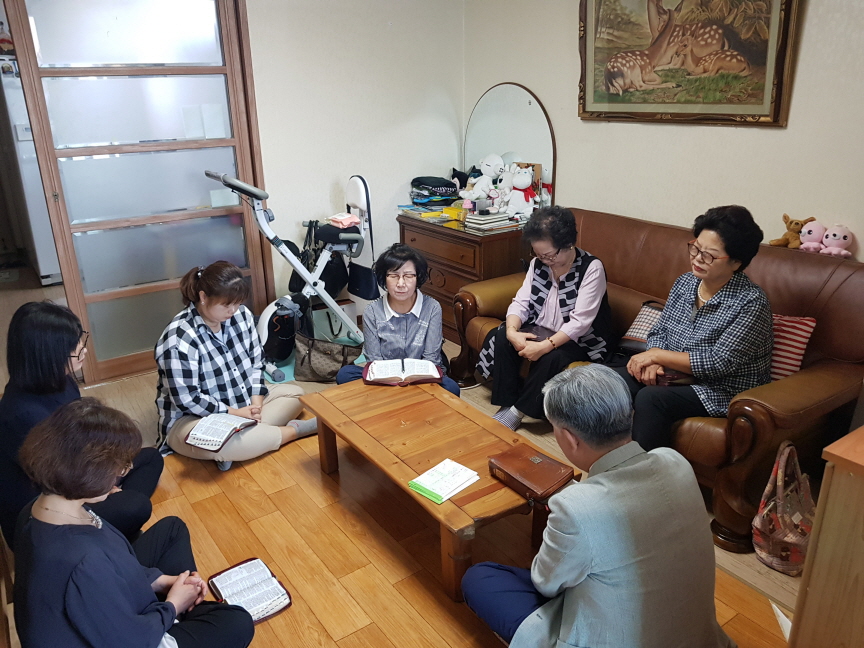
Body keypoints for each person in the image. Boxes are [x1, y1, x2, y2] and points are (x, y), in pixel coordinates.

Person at [461, 364, 735, 648]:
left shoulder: (574, 507)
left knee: (480, 578)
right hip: (699, 636)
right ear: (629, 414)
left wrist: (571, 510)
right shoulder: (674, 461)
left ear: (569, 438)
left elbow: (545, 582)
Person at [14, 398, 255, 648]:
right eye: (118, 466)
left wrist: (162, 581)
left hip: (110, 604)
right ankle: (185, 614)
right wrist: (172, 605)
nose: (124, 470)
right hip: (130, 637)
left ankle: (187, 609)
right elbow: (130, 640)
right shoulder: (82, 563)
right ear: (87, 472)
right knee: (237, 622)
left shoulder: (39, 509)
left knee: (172, 529)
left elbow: (117, 566)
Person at [0, 301, 163, 548]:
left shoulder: (61, 380)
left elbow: (84, 440)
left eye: (79, 340)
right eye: (73, 347)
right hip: (50, 513)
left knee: (151, 458)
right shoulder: (21, 415)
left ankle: (112, 528)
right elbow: (56, 484)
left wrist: (106, 480)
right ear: (47, 355)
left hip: (79, 473)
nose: (82, 350)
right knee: (137, 507)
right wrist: (101, 489)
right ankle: (114, 529)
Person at [616, 205, 773, 451]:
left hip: (721, 389)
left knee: (651, 399)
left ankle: (646, 471)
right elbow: (659, 331)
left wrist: (657, 356)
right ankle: (608, 461)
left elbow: (718, 362)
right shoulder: (685, 283)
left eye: (709, 255)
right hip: (673, 374)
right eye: (696, 248)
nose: (697, 258)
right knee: (612, 381)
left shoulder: (751, 302)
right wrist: (654, 362)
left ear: (736, 262)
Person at [156, 261, 318, 471]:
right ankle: (294, 431)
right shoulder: (179, 339)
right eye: (226, 305)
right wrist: (234, 413)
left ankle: (245, 438)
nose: (233, 310)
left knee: (296, 394)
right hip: (193, 419)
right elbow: (188, 399)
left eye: (237, 303)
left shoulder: (242, 315)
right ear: (203, 297)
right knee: (224, 443)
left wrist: (256, 404)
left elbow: (256, 362)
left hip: (242, 402)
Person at [476, 206, 614, 430]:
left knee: (553, 357)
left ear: (568, 244)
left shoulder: (591, 268)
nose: (545, 260)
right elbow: (521, 302)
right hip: (541, 328)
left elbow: (579, 323)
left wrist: (544, 346)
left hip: (580, 340)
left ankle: (518, 411)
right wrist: (512, 331)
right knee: (501, 335)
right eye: (539, 255)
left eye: (550, 255)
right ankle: (507, 404)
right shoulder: (538, 264)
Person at [335, 244, 461, 396]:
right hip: (385, 378)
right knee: (345, 374)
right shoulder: (372, 311)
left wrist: (412, 381)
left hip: (421, 378)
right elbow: (374, 361)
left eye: (408, 276)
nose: (401, 284)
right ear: (384, 278)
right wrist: (391, 381)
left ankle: (395, 398)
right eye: (394, 276)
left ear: (418, 278)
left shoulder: (432, 307)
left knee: (451, 388)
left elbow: (431, 360)